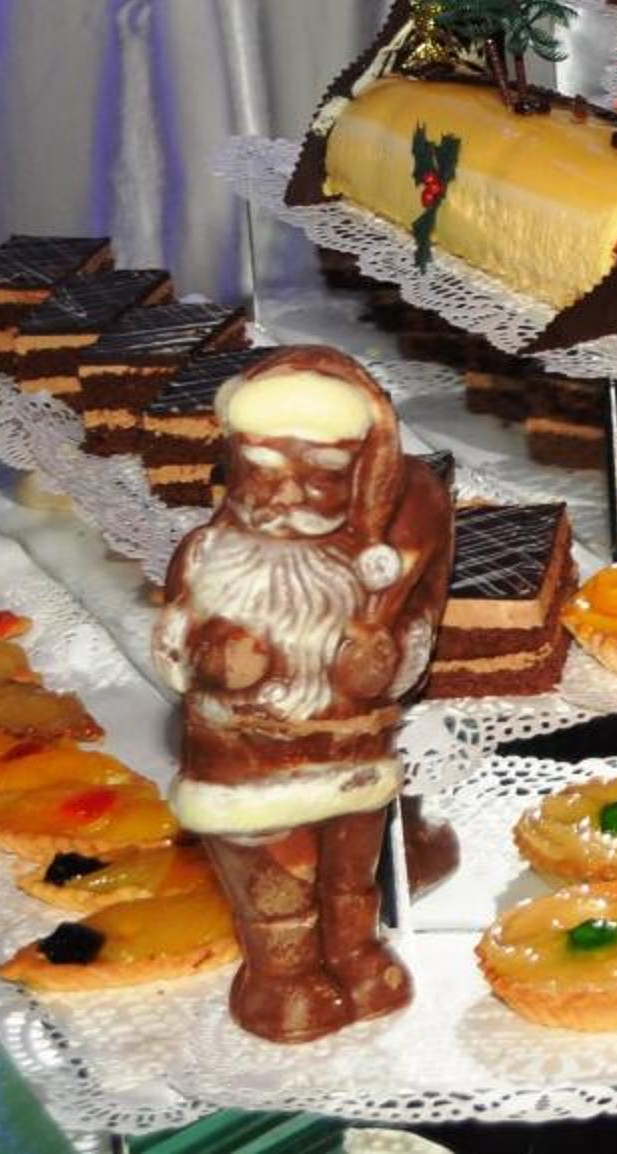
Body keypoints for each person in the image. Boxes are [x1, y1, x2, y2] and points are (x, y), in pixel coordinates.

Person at [151, 347, 451, 1043]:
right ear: (233, 464)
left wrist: (392, 654)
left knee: (350, 878)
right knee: (276, 890)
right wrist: (216, 658)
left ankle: (356, 955)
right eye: (263, 472)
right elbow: (174, 651)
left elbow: (408, 643)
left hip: (355, 763)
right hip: (246, 772)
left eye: (321, 478)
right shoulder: (208, 556)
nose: (286, 499)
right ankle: (279, 982)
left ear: (360, 477)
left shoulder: (367, 569)